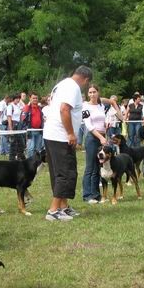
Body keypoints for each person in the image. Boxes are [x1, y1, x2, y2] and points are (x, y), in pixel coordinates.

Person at [43, 65, 92, 221]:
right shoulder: (73, 88)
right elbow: (64, 109)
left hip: (51, 134)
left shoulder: (62, 84)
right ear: (85, 79)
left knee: (58, 172)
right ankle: (53, 210)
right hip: (61, 136)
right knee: (66, 172)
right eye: (87, 83)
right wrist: (70, 133)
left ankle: (63, 207)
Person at [82, 84, 121, 203]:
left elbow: (114, 107)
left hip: (102, 135)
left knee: (98, 167)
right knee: (90, 167)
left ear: (98, 92)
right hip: (92, 137)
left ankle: (96, 194)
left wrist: (106, 125)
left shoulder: (101, 104)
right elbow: (89, 125)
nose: (92, 94)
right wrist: (100, 138)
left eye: (94, 92)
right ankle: (87, 195)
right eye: (90, 92)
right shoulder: (85, 106)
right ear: (88, 94)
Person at [22, 92, 44, 158]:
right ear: (30, 98)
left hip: (39, 130)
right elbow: (23, 119)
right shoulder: (27, 107)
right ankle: (29, 162)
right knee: (31, 148)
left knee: (38, 148)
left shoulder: (39, 108)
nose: (35, 99)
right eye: (33, 98)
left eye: (36, 98)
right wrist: (26, 128)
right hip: (30, 130)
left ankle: (36, 162)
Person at [6, 93, 26, 161]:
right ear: (13, 99)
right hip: (13, 125)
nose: (18, 100)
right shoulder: (10, 106)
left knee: (21, 143)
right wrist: (11, 129)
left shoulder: (18, 106)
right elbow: (9, 117)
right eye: (16, 98)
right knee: (13, 144)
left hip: (19, 125)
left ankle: (20, 157)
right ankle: (11, 160)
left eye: (19, 98)